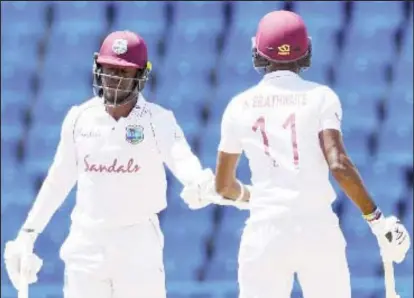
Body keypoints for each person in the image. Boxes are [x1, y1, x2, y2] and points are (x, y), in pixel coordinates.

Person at [181, 10, 411, 298]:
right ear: (306, 50)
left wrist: (254, 197)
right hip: (317, 229)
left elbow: (224, 187)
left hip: (265, 232)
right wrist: (377, 220)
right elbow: (338, 165)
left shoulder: (239, 106)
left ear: (258, 51)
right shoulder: (321, 97)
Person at [3, 30, 213, 298]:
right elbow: (58, 180)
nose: (114, 80)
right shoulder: (80, 118)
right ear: (97, 68)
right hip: (86, 242)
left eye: (123, 73)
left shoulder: (157, 120)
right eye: (109, 70)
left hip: (137, 244)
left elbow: (182, 158)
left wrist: (199, 182)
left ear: (140, 76)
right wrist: (28, 234)